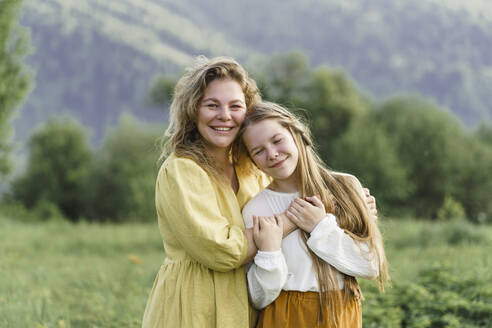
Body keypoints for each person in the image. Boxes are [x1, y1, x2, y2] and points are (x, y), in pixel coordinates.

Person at [142, 56, 379, 328]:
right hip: (197, 304)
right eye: (211, 105)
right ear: (193, 110)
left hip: (250, 308)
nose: (224, 116)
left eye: (235, 106)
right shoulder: (182, 170)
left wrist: (352, 205)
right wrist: (299, 217)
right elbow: (222, 250)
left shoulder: (251, 168)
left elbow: (289, 189)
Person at [236, 102, 390, 328]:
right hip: (286, 315)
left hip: (341, 311)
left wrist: (321, 227)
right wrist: (269, 252)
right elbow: (259, 298)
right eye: (258, 151)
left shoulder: (346, 186)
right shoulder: (256, 210)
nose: (272, 154)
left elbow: (371, 265)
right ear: (252, 160)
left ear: (296, 133)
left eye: (277, 140)